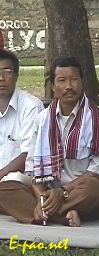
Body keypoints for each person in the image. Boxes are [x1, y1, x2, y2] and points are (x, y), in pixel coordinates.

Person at [0, 56, 99, 227]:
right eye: (62, 80)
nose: (69, 86)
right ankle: (64, 215)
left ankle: (43, 214)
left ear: (81, 82)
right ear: (53, 86)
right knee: (5, 189)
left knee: (94, 189)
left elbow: (97, 172)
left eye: (74, 79)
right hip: (47, 190)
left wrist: (63, 193)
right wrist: (41, 197)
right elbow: (34, 172)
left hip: (79, 193)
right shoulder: (42, 120)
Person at [0, 49, 44, 183]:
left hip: (21, 181)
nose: (1, 78)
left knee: (14, 179)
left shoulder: (31, 107)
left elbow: (28, 155)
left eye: (7, 72)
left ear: (17, 76)